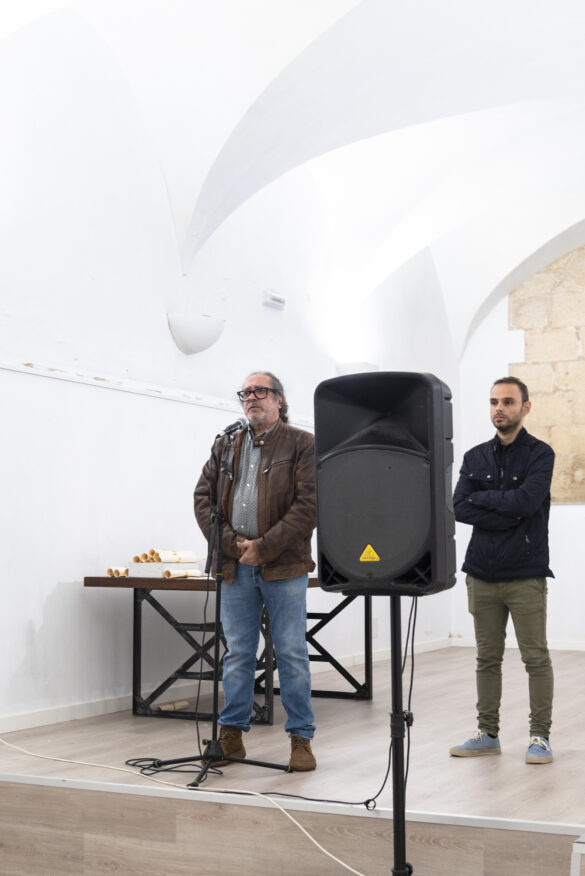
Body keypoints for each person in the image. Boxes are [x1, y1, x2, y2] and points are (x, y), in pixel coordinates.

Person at [194, 371, 317, 770]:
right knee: (238, 653)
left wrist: (263, 548)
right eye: (245, 392)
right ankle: (231, 735)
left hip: (283, 565)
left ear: (279, 400)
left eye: (260, 391)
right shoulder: (226, 444)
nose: (251, 397)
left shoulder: (302, 444)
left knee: (291, 652)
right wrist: (233, 545)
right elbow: (203, 498)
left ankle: (301, 738)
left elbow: (309, 506)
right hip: (235, 566)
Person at [449, 376, 555, 764]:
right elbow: (459, 507)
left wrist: (486, 500)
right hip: (481, 574)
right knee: (487, 659)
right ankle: (487, 734)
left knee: (535, 658)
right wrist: (507, 512)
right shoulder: (474, 456)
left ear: (525, 407)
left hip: (525, 573)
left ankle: (540, 737)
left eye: (508, 402)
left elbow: (527, 503)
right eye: (494, 401)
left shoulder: (541, 454)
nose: (499, 408)